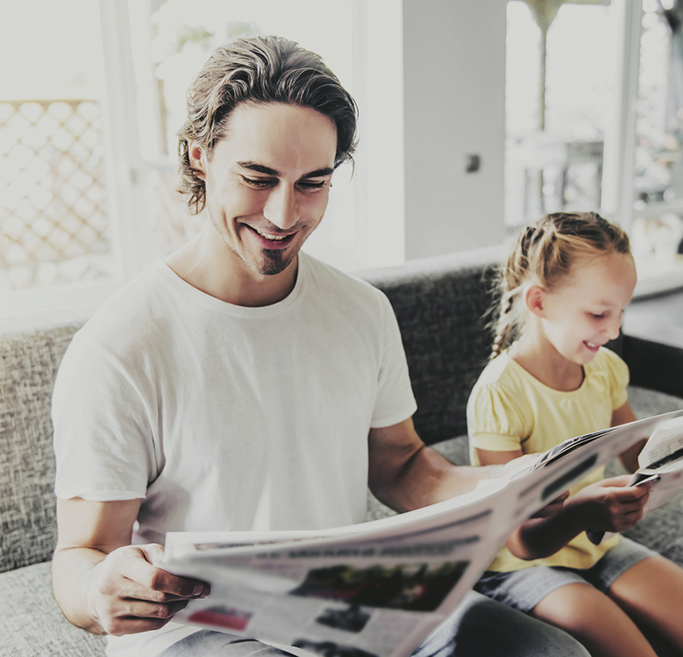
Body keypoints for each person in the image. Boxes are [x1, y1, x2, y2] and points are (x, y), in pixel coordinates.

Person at [50, 35, 590, 657]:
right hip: (204, 630)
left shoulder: (361, 311)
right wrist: (99, 592)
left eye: (313, 183)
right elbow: (80, 556)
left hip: (353, 603)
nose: (284, 214)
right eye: (257, 178)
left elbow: (404, 467)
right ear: (200, 157)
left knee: (552, 653)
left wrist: (522, 487)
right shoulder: (120, 349)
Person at [466, 212, 683, 657]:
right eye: (599, 313)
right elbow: (522, 541)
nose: (614, 330)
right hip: (517, 566)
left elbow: (636, 456)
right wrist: (583, 511)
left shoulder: (603, 369)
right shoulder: (499, 393)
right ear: (539, 303)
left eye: (622, 311)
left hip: (596, 544)